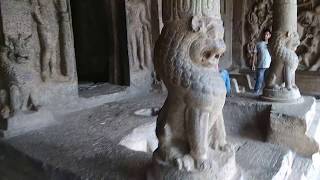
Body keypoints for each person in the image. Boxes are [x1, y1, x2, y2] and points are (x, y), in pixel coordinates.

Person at [252, 29, 272, 95]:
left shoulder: (271, 45)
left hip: (269, 66)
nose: (266, 36)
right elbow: (254, 54)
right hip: (261, 65)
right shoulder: (258, 44)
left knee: (268, 81)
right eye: (265, 34)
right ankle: (256, 91)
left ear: (270, 35)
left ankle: (267, 93)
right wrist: (253, 64)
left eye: (267, 35)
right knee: (259, 79)